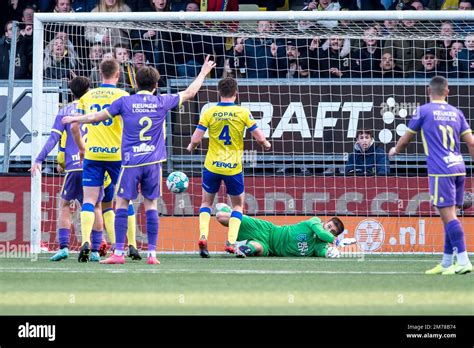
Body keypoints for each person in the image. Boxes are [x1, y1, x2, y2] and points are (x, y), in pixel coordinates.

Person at [63, 56, 217, 264]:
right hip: (153, 163)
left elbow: (97, 116)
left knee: (121, 203)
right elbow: (190, 93)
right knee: (151, 205)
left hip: (130, 162)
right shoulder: (161, 101)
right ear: (156, 85)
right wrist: (203, 73)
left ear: (135, 82)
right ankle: (152, 254)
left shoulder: (125, 101)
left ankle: (118, 253)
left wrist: (76, 118)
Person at [389, 76, 474, 275]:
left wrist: (395, 150)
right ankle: (446, 263)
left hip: (440, 170)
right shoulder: (456, 112)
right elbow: (471, 142)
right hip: (459, 167)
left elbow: (406, 139)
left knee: (448, 215)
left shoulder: (423, 111)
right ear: (448, 91)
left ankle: (463, 260)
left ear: (428, 91)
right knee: (448, 216)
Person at [186, 77, 271, 258]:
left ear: (219, 92)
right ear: (235, 93)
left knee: (206, 203)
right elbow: (259, 136)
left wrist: (190, 148)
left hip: (212, 166)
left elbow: (195, 139)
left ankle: (203, 236)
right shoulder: (242, 112)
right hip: (232, 167)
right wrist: (266, 144)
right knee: (238, 205)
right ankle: (231, 242)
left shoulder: (210, 112)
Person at [65, 59, 137, 262]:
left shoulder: (87, 96)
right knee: (124, 200)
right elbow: (131, 125)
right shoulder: (124, 96)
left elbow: (74, 126)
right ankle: (130, 244)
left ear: (99, 73)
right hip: (117, 155)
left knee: (89, 200)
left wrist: (81, 148)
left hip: (93, 154)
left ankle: (85, 241)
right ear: (118, 74)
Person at [29, 77, 106, 262]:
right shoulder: (97, 110)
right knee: (96, 206)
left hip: (73, 167)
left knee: (64, 204)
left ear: (71, 92)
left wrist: (39, 159)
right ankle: (95, 250)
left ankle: (63, 247)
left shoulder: (65, 111)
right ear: (89, 90)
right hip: (94, 163)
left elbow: (53, 139)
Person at [215, 204, 346, 258]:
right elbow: (322, 233)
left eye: (332, 232)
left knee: (255, 248)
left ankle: (240, 250)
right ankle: (228, 210)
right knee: (221, 217)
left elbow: (323, 252)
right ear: (325, 223)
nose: (328, 231)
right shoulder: (315, 222)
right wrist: (335, 240)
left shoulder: (320, 245)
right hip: (268, 230)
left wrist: (331, 252)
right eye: (329, 226)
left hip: (271, 249)